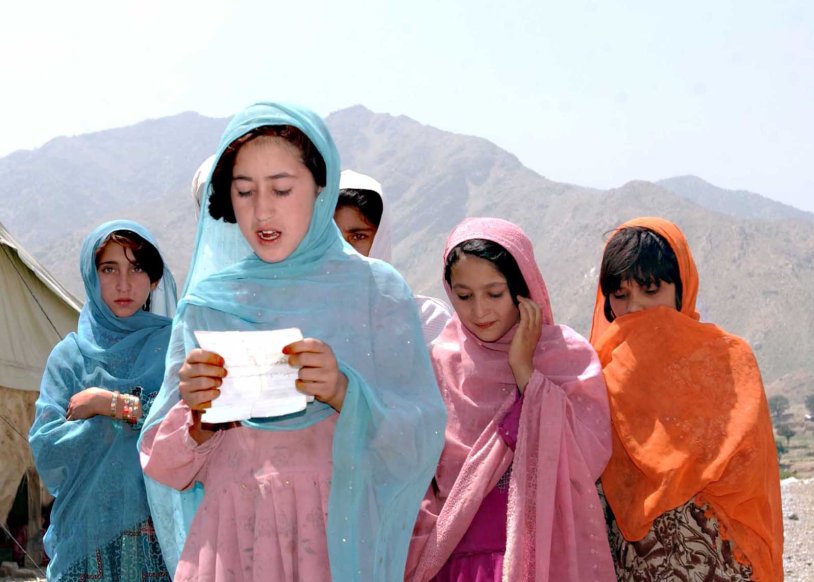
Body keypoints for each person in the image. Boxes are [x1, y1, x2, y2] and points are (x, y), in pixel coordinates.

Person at [139, 102, 447, 582]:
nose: (263, 210)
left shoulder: (376, 293)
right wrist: (198, 419)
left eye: (282, 189)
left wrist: (345, 392)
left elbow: (421, 434)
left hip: (332, 542)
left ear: (321, 188)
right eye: (244, 192)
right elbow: (164, 463)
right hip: (231, 546)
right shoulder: (208, 303)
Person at [407, 217, 615, 581]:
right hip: (455, 560)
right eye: (464, 295)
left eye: (494, 293)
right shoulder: (441, 361)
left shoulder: (564, 357)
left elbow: (588, 453)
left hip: (544, 555)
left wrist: (526, 373)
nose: (479, 311)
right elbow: (417, 466)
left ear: (522, 288)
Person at [590, 217, 784, 581]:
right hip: (637, 565)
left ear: (682, 290)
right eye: (621, 295)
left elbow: (751, 479)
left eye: (650, 290)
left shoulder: (728, 362)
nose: (634, 309)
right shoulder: (596, 372)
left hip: (723, 562)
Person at [29, 220, 176, 581]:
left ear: (155, 279)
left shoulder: (176, 347)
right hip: (87, 538)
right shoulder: (70, 357)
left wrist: (107, 404)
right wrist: (135, 416)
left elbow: (188, 424)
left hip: (161, 538)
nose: (123, 284)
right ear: (92, 276)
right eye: (109, 269)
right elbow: (46, 446)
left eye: (137, 268)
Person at [335, 169, 451, 345]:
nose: (343, 250)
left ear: (380, 239)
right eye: (332, 237)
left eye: (358, 237)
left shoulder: (426, 320)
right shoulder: (298, 317)